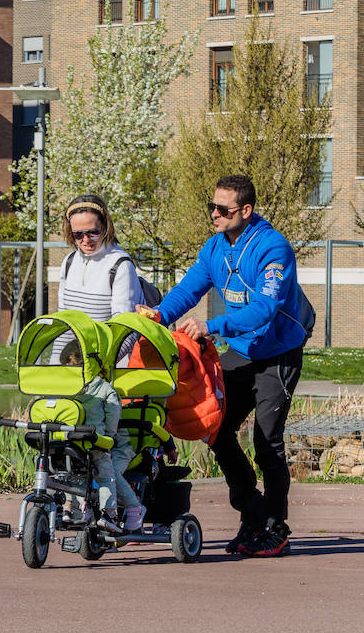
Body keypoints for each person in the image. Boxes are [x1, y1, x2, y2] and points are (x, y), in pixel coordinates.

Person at [145, 174, 307, 558]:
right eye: (211, 208)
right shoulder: (215, 247)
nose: (214, 215)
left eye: (223, 209)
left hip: (278, 353)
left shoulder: (273, 248)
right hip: (242, 350)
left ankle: (276, 527)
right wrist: (158, 315)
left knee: (266, 443)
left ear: (245, 211)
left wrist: (211, 326)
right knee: (213, 427)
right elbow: (189, 288)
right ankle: (252, 511)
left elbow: (265, 309)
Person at [56, 194, 146, 530]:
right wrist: (56, 370)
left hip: (101, 368)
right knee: (60, 438)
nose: (85, 241)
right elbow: (63, 322)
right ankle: (70, 502)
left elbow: (125, 328)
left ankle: (113, 506)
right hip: (71, 367)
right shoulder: (68, 262)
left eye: (92, 233)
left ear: (105, 226)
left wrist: (100, 367)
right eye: (78, 234)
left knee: (98, 449)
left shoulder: (120, 265)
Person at [58, 341, 127, 533]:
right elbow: (113, 414)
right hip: (94, 441)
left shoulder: (66, 387)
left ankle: (70, 510)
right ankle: (109, 514)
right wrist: (110, 436)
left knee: (72, 475)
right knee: (106, 478)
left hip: (70, 441)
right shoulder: (103, 388)